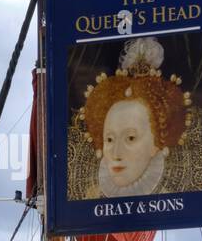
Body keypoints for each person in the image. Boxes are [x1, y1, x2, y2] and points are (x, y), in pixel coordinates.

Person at [81, 37, 191, 199]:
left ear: (157, 143)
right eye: (109, 140)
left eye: (131, 138)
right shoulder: (90, 199)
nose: (116, 154)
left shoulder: (171, 199)